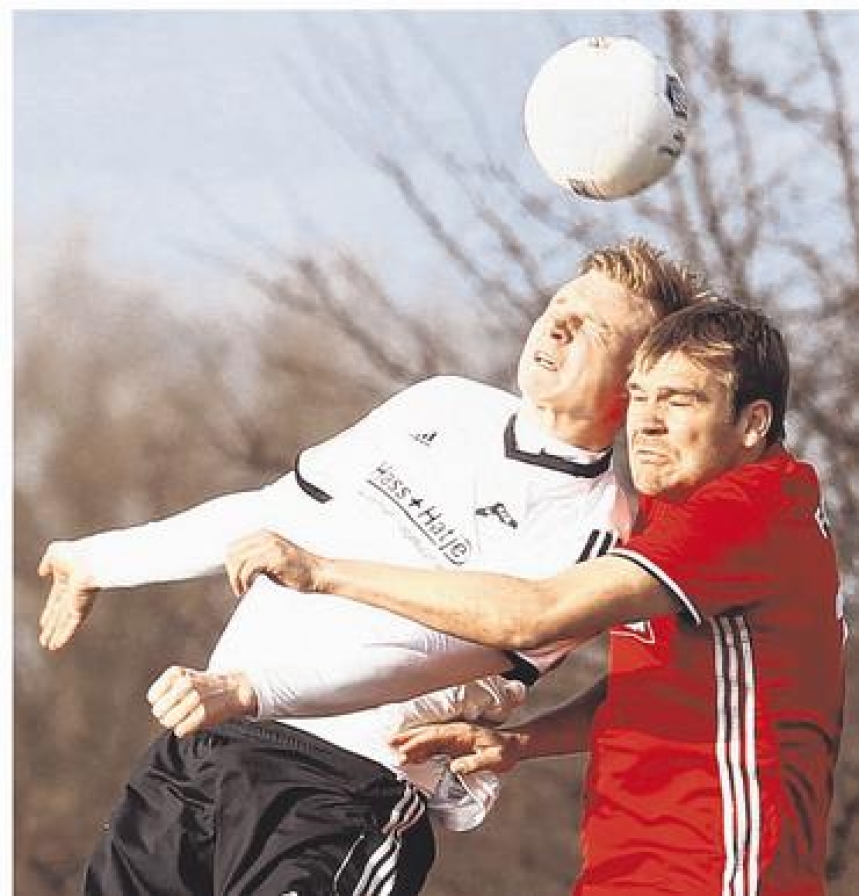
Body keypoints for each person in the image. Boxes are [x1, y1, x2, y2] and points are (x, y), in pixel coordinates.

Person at [38, 239, 709, 896]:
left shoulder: (598, 524)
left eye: (590, 325)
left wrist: (255, 687)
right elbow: (274, 513)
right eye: (562, 302)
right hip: (202, 747)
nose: (557, 323)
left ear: (635, 382)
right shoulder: (441, 404)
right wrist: (99, 560)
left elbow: (446, 656)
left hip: (339, 789)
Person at [237, 301, 846, 896]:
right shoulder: (690, 502)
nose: (646, 421)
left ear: (753, 423)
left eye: (681, 399)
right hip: (627, 865)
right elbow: (667, 683)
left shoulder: (748, 514)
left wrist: (323, 573)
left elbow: (532, 616)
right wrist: (522, 742)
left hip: (717, 873)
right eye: (639, 395)